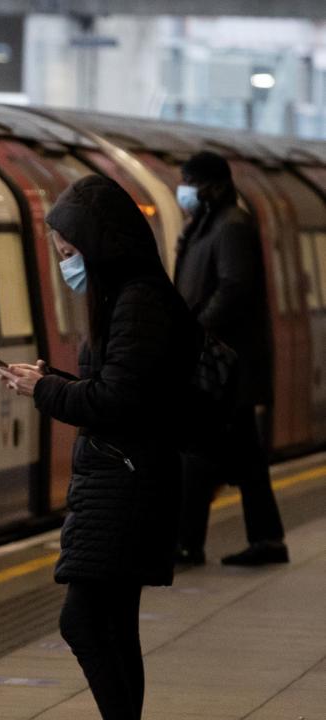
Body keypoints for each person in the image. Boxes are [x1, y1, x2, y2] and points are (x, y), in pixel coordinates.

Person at [0, 176, 197, 720]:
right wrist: (54, 379)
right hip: (123, 476)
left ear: (98, 244)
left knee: (83, 622)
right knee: (111, 624)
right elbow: (115, 387)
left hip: (127, 481)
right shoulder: (129, 297)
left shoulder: (138, 302)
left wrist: (43, 393)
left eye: (66, 251)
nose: (64, 264)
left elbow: (119, 401)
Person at [174, 151, 287, 567]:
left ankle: (189, 543)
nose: (183, 190)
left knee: (200, 453)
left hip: (224, 367)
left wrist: (196, 330)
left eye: (190, 181)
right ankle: (266, 540)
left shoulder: (232, 226)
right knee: (242, 458)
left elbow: (234, 287)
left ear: (215, 186)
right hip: (221, 367)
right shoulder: (207, 225)